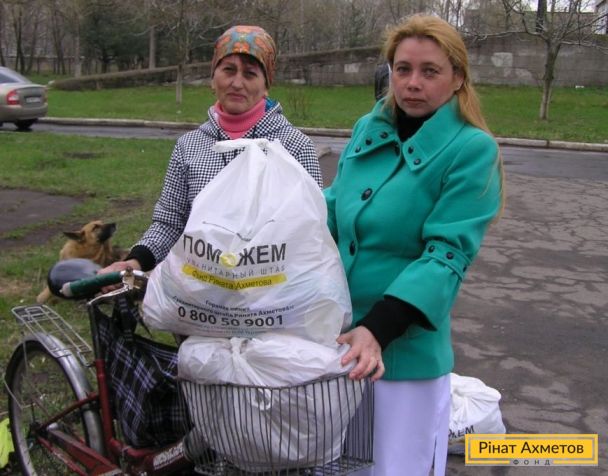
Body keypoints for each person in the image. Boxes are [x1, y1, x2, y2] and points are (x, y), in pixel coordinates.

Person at [324, 14, 504, 476]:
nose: (413, 83)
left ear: (457, 77)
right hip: (336, 339)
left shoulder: (472, 149)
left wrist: (377, 329)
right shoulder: (368, 127)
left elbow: (446, 255)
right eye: (402, 69)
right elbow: (334, 207)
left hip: (403, 357)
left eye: (430, 71)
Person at [100, 25, 322, 276]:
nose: (237, 83)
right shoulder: (189, 146)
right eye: (228, 70)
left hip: (268, 293)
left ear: (266, 85)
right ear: (213, 78)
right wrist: (134, 263)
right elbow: (169, 223)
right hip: (199, 291)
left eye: (250, 74)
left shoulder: (295, 147)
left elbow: (309, 234)